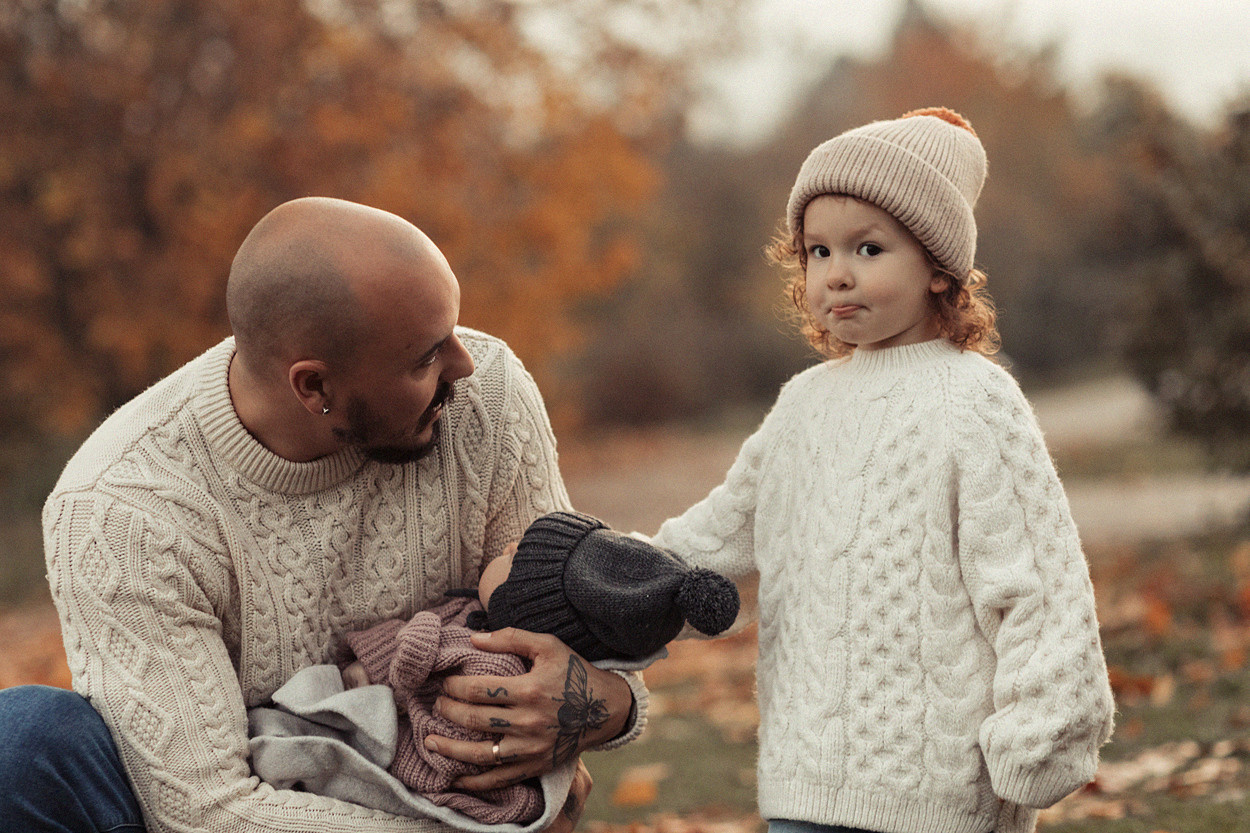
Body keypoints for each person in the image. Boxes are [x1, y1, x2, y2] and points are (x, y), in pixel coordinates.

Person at [0, 197, 645, 833]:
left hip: (456, 785)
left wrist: (606, 707)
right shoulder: (121, 509)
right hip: (276, 815)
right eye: (426, 357)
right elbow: (206, 811)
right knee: (23, 742)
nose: (465, 364)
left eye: (452, 330)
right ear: (313, 387)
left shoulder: (486, 398)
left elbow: (584, 619)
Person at [649, 108, 1116, 833]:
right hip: (804, 787)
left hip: (942, 796)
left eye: (868, 248)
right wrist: (601, 579)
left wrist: (1042, 733)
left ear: (938, 269)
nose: (837, 274)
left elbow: (1037, 584)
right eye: (817, 251)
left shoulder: (975, 400)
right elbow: (715, 537)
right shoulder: (803, 404)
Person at [249, 510, 738, 828]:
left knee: (298, 735)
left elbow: (415, 654)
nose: (504, 549)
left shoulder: (493, 654)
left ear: (525, 605)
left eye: (515, 556)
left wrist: (369, 666)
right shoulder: (487, 619)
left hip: (427, 755)